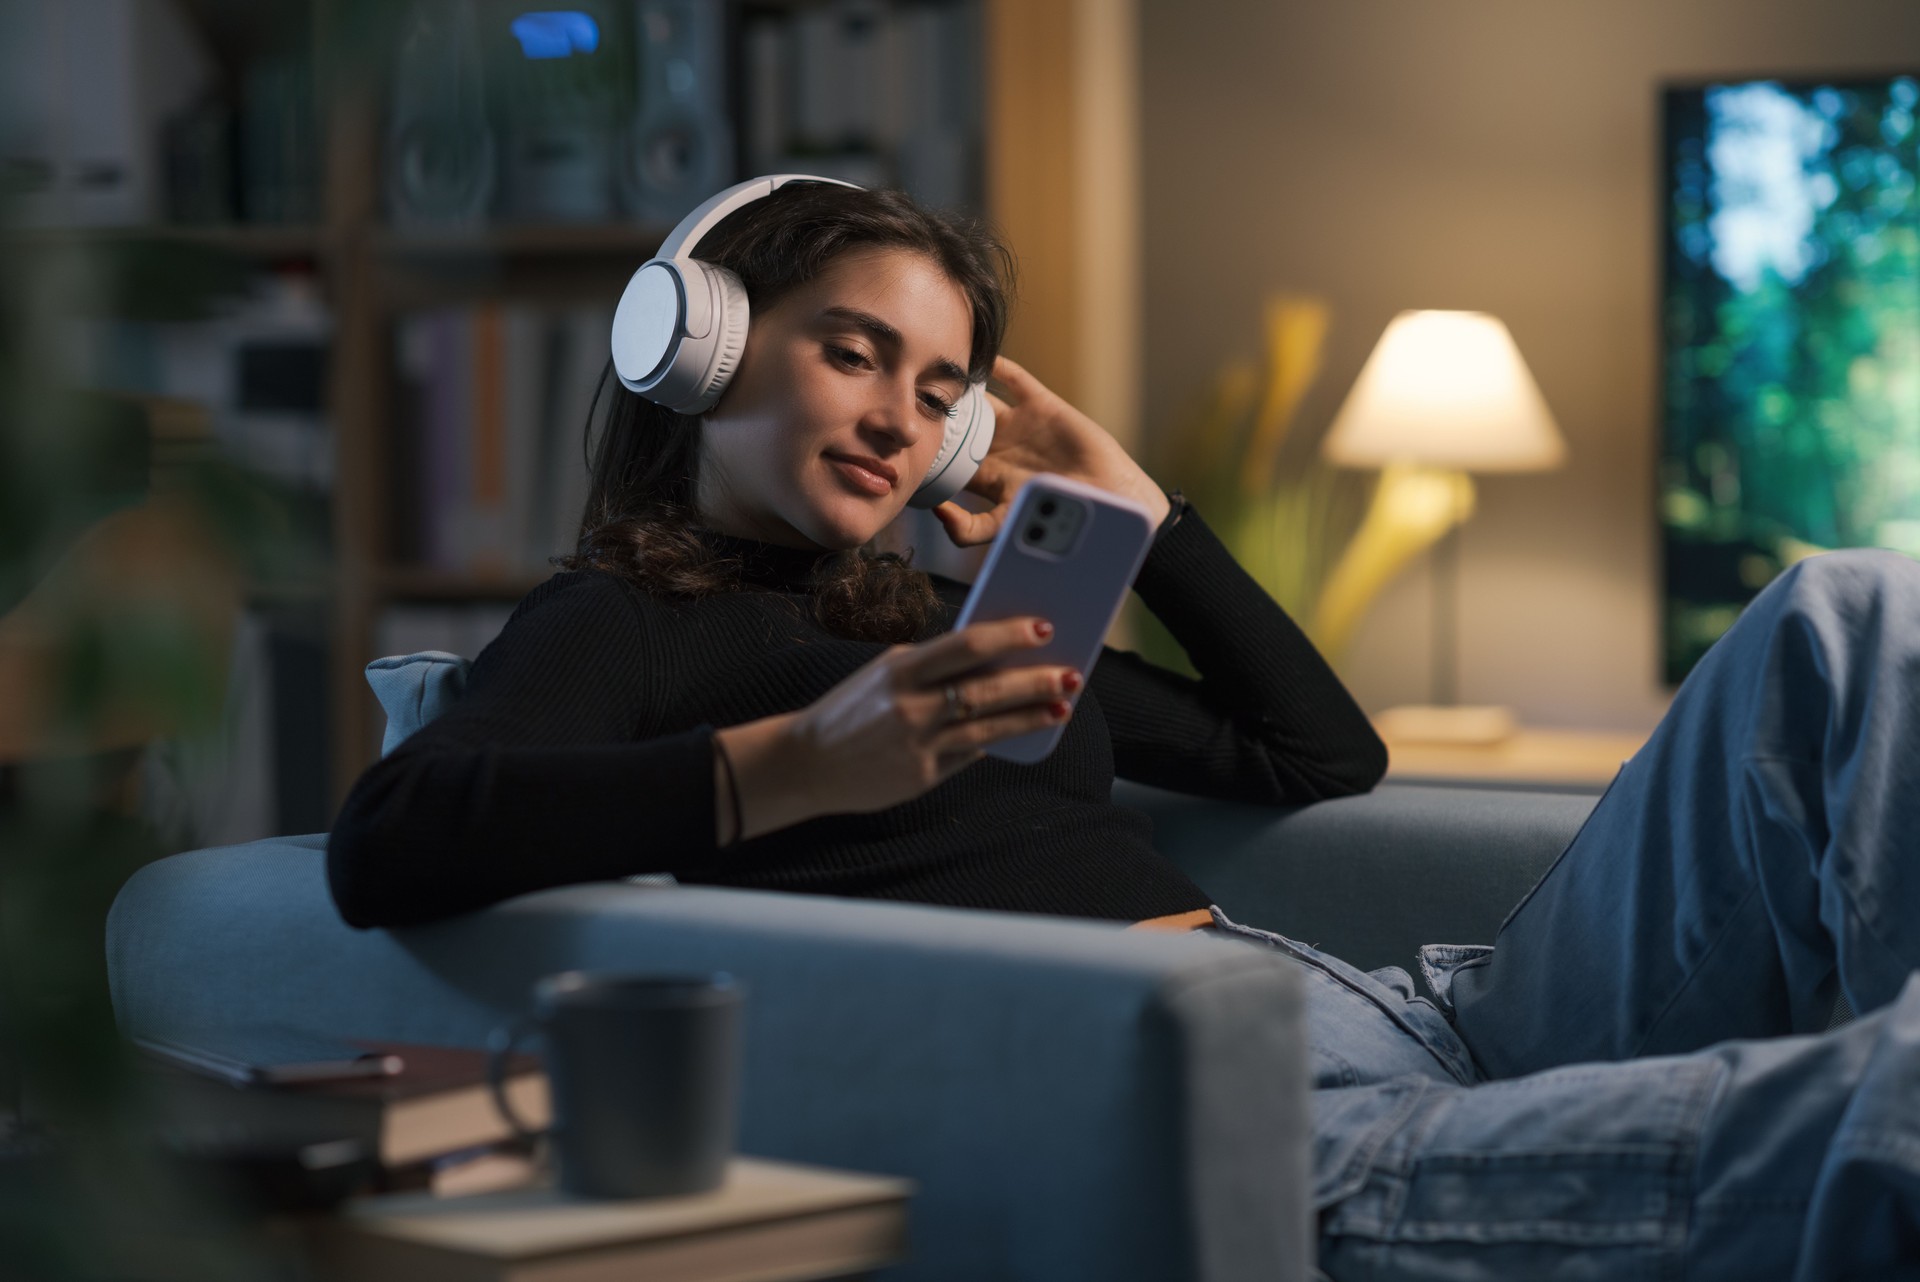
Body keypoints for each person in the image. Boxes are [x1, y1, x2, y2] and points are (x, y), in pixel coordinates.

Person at [327, 180, 1920, 1280]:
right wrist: (806, 765)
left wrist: (1144, 519)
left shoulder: (935, 624)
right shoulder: (626, 622)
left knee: (1856, 614)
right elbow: (394, 835)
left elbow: (1315, 757)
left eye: (939, 384)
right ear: (703, 340)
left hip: (1423, 1019)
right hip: (1257, 1124)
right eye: (850, 349)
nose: (897, 415)